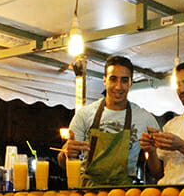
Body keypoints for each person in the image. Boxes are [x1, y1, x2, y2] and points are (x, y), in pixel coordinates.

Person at [59, 55, 159, 187]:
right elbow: (63, 163)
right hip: (88, 194)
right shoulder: (85, 114)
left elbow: (158, 172)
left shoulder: (145, 119)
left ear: (131, 83)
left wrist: (151, 152)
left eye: (124, 80)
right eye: (113, 79)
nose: (118, 86)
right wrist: (65, 154)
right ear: (104, 80)